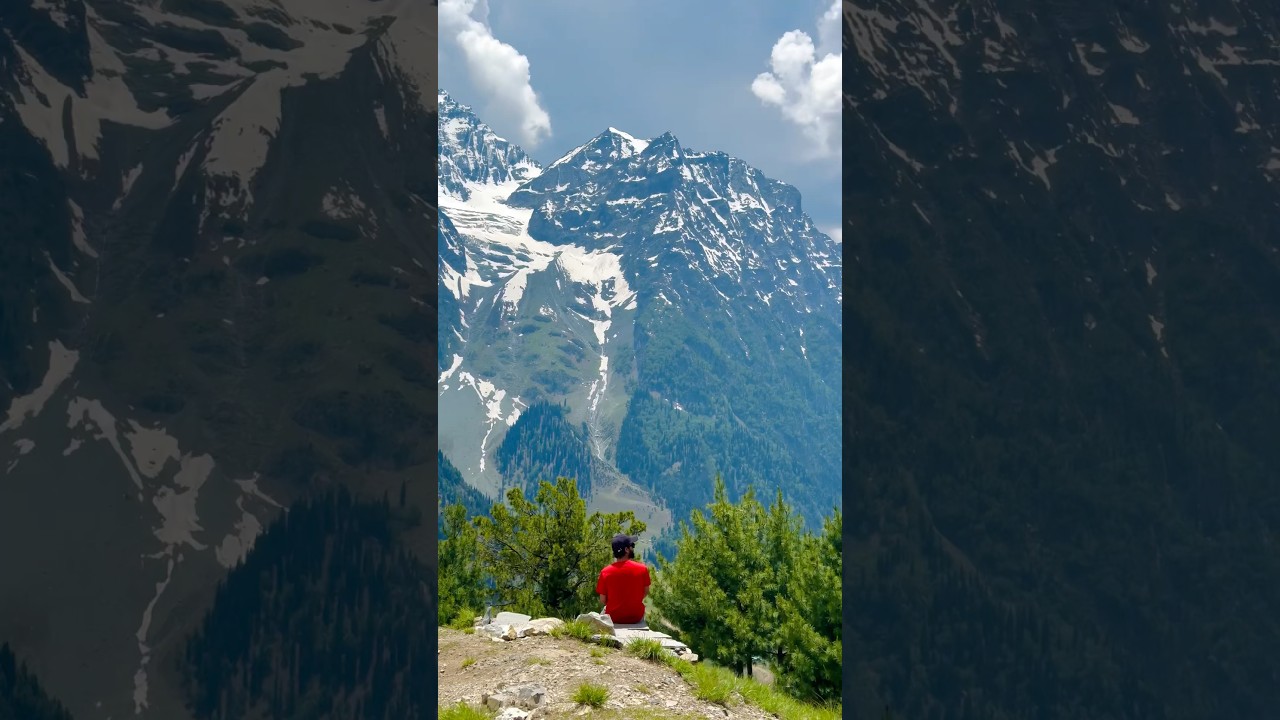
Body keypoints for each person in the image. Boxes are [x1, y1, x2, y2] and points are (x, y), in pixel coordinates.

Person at [595, 533, 651, 625]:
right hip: (635, 617)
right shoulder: (642, 569)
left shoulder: (605, 572)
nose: (633, 548)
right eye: (632, 546)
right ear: (626, 550)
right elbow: (645, 592)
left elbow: (603, 600)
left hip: (613, 617)